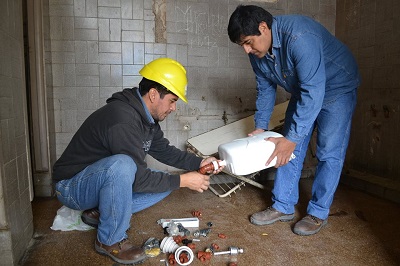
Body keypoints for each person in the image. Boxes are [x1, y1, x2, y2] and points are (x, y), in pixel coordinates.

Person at [52, 58, 224, 264]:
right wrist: (185, 181)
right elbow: (138, 179)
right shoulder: (122, 119)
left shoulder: (146, 120)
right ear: (153, 94)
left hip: (97, 183)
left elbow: (167, 152)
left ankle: (101, 213)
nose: (174, 108)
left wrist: (200, 163)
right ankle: (108, 240)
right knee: (125, 166)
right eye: (172, 100)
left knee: (165, 181)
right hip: (71, 187)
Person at [227, 5, 360, 236]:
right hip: (305, 89)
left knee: (329, 150)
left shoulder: (300, 37)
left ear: (263, 27)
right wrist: (261, 126)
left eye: (248, 42)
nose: (246, 50)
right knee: (284, 144)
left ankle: (318, 212)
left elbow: (314, 91)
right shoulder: (257, 53)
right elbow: (265, 88)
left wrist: (293, 138)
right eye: (242, 45)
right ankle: (283, 205)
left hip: (337, 87)